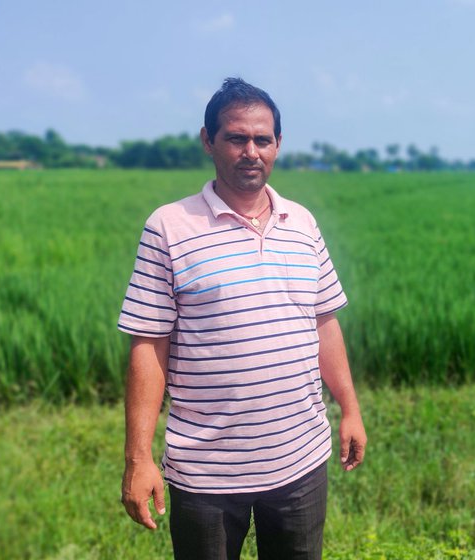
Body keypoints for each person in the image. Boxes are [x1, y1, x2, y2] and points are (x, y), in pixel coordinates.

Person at [118, 77, 367, 560]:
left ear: (278, 144)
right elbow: (148, 346)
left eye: (263, 139)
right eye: (236, 138)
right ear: (208, 140)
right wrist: (138, 458)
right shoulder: (169, 226)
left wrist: (351, 409)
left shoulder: (303, 223)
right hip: (205, 473)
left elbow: (324, 322)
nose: (250, 151)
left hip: (301, 460)